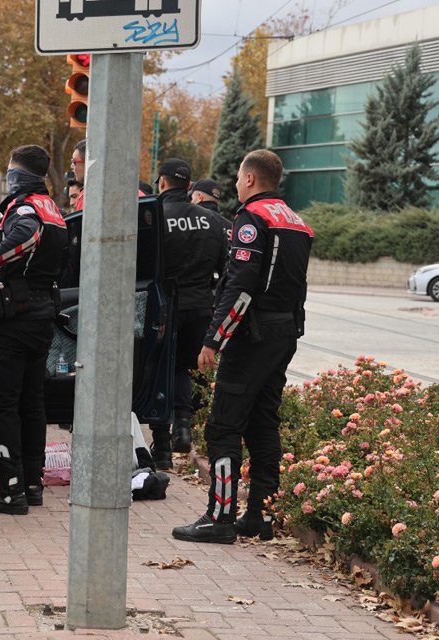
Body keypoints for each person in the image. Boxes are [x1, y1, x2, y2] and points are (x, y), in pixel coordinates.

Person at [172, 149, 312, 544]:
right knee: (263, 423)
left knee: (223, 426)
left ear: (250, 179)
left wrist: (215, 339)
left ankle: (219, 516)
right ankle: (260, 516)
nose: (235, 183)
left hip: (252, 336)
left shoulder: (254, 218)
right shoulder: (297, 222)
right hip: (283, 335)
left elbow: (242, 286)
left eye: (237, 177)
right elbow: (297, 286)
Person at [0, 145, 68, 515]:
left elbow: (26, 236)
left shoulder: (25, 207)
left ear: (16, 174)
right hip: (42, 317)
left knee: (4, 404)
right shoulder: (53, 208)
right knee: (32, 403)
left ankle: (10, 491)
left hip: (15, 318)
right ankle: (32, 484)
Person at [149, 158, 228, 469]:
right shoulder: (212, 222)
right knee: (184, 368)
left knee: (158, 372)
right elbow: (226, 272)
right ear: (190, 186)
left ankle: (162, 448)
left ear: (163, 182)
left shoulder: (153, 218)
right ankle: (182, 425)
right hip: (199, 308)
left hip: (164, 307)